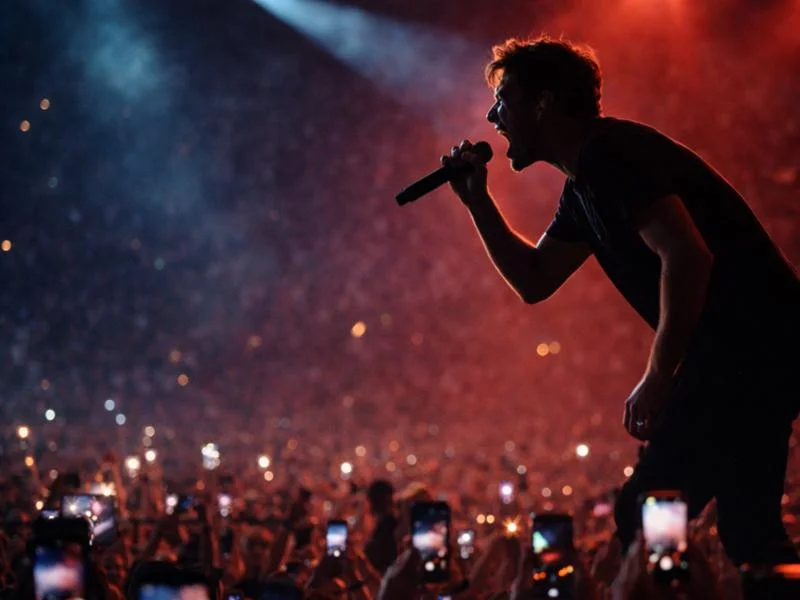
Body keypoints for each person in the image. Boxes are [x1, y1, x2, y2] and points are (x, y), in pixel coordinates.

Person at [442, 35, 800, 567]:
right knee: (749, 531)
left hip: (746, 353)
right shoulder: (586, 183)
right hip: (761, 352)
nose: (494, 117)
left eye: (505, 100)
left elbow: (687, 256)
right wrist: (478, 203)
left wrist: (659, 374)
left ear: (543, 104)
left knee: (646, 511)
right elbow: (536, 279)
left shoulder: (611, 157)